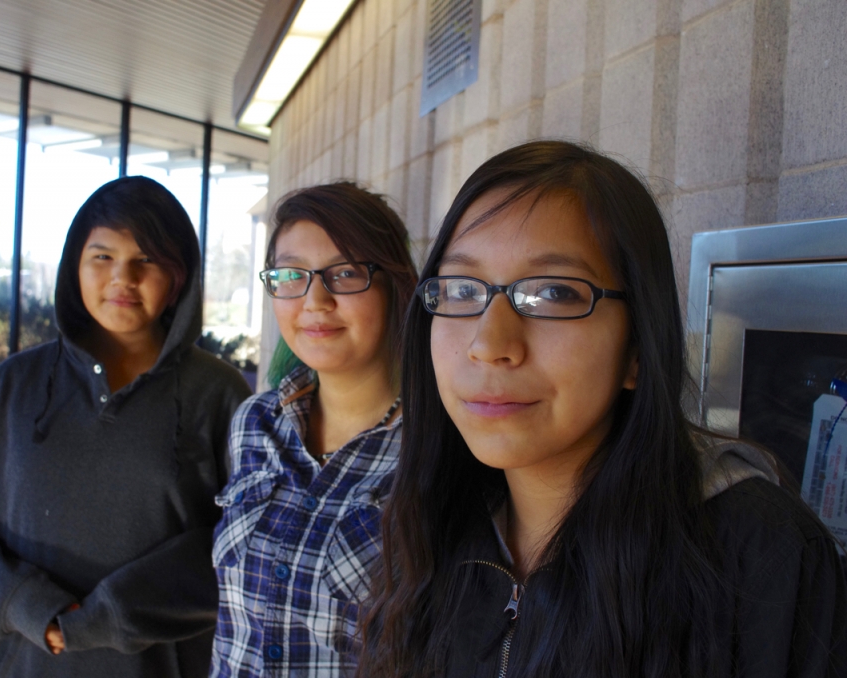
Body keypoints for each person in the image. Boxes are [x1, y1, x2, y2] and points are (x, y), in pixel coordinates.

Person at [359, 141, 847, 677]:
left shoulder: (760, 556)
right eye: (461, 289)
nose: (489, 343)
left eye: (552, 293)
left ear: (637, 346)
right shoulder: (428, 523)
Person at [0, 176, 252, 677]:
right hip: (28, 665)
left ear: (179, 277)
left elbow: (246, 543)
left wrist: (111, 616)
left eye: (146, 260)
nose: (122, 278)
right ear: (75, 265)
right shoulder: (13, 387)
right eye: (102, 256)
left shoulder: (220, 394)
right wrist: (26, 604)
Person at [210, 182, 418, 677]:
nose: (315, 300)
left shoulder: (435, 447)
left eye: (344, 273)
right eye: (291, 275)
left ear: (392, 284)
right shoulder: (255, 424)